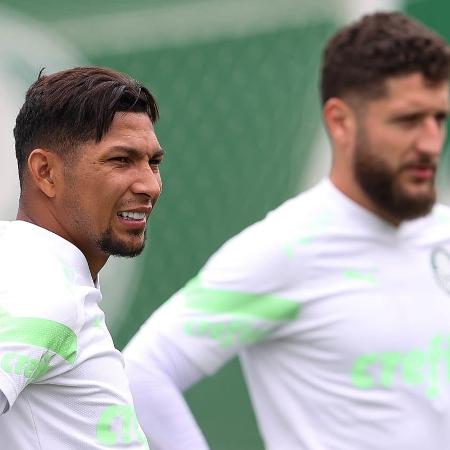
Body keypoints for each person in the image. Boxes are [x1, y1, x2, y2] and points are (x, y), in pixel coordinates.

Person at [124, 11, 450, 450]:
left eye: (439, 118)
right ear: (340, 121)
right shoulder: (286, 248)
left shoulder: (442, 232)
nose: (431, 142)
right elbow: (144, 370)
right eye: (408, 120)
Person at [0, 66, 164, 449]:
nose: (149, 184)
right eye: (120, 160)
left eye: (153, 162)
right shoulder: (42, 288)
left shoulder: (30, 266)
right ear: (45, 172)